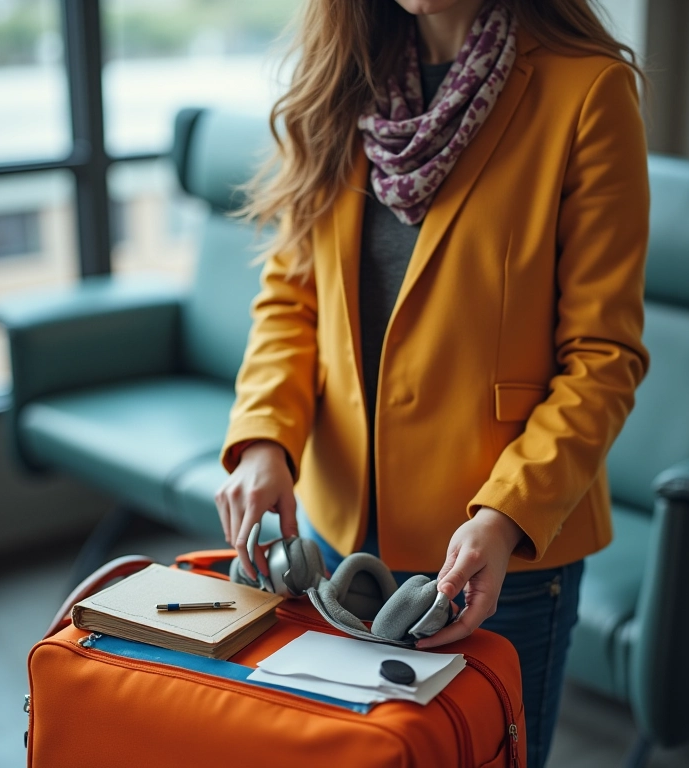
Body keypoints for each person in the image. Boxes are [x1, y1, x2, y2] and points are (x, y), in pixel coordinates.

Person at [215, 0, 650, 765]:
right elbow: (292, 298)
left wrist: (505, 515)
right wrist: (262, 442)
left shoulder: (587, 92)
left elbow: (603, 356)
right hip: (337, 533)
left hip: (497, 550)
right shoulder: (343, 82)